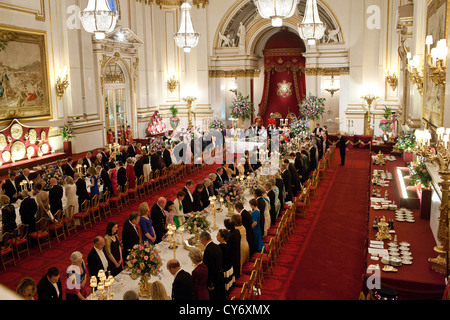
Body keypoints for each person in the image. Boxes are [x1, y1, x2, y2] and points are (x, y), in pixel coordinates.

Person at [199, 231, 226, 300]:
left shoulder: (208, 250)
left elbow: (210, 268)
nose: (201, 243)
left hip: (215, 281)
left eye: (201, 241)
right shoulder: (216, 246)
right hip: (220, 276)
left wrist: (210, 283)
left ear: (204, 240)